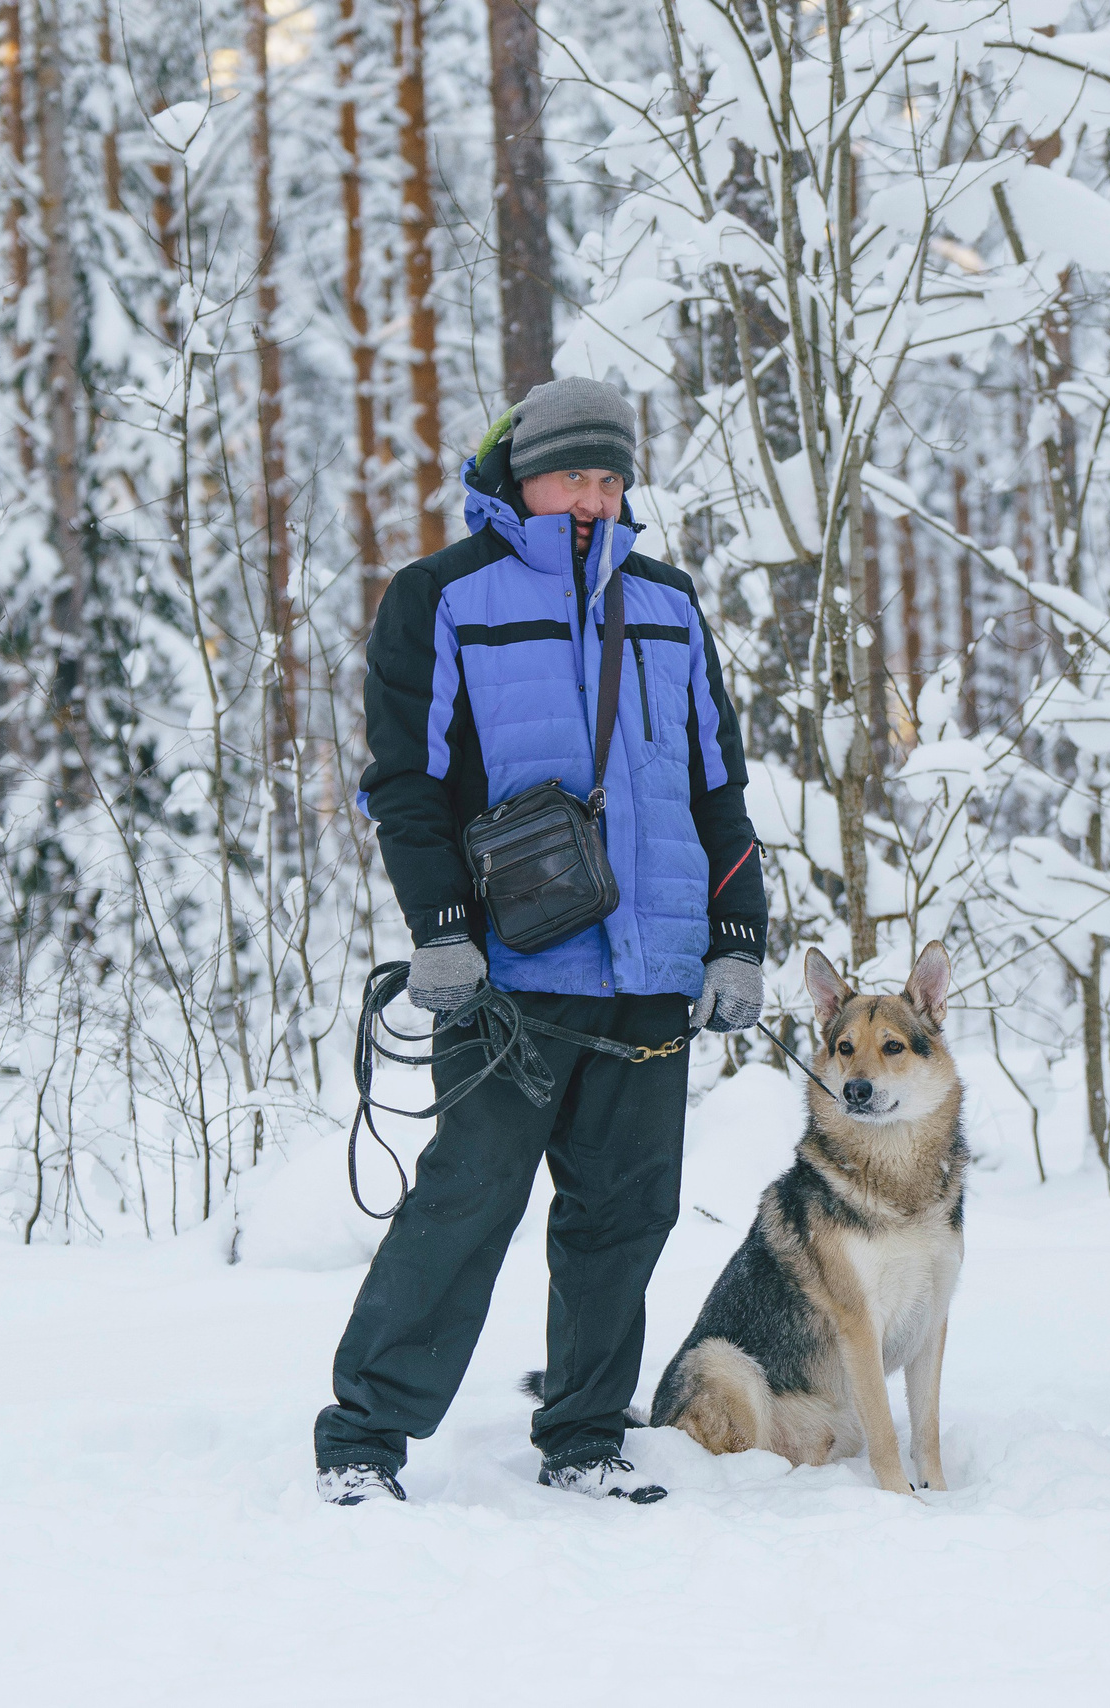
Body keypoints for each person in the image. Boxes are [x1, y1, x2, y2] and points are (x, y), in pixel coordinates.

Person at [314, 377, 770, 1505]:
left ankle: (582, 1438)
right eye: (575, 474)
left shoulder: (667, 602)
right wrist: (440, 930)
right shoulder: (442, 596)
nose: (594, 497)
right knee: (466, 1202)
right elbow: (404, 785)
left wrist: (735, 937)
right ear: (521, 476)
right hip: (511, 976)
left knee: (625, 1214)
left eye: (611, 477)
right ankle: (363, 1441)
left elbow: (719, 787)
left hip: (650, 975)